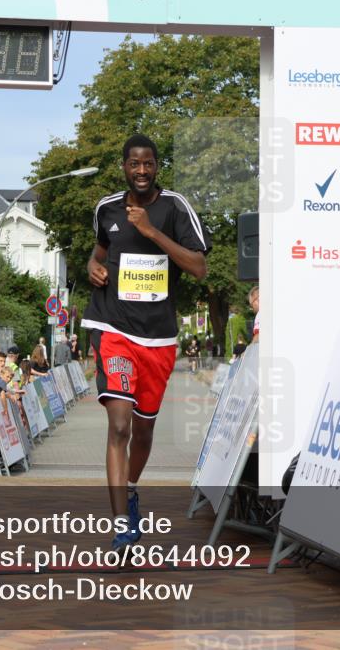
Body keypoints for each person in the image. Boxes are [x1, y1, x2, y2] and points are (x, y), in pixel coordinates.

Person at [82, 133, 211, 549]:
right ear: (124, 166)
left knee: (143, 432)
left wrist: (152, 232)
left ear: (157, 167)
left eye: (148, 164)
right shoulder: (106, 209)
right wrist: (92, 267)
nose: (141, 171)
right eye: (134, 164)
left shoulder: (175, 207)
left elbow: (199, 267)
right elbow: (99, 252)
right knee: (118, 424)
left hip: (157, 338)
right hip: (113, 329)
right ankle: (121, 524)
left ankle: (132, 488)